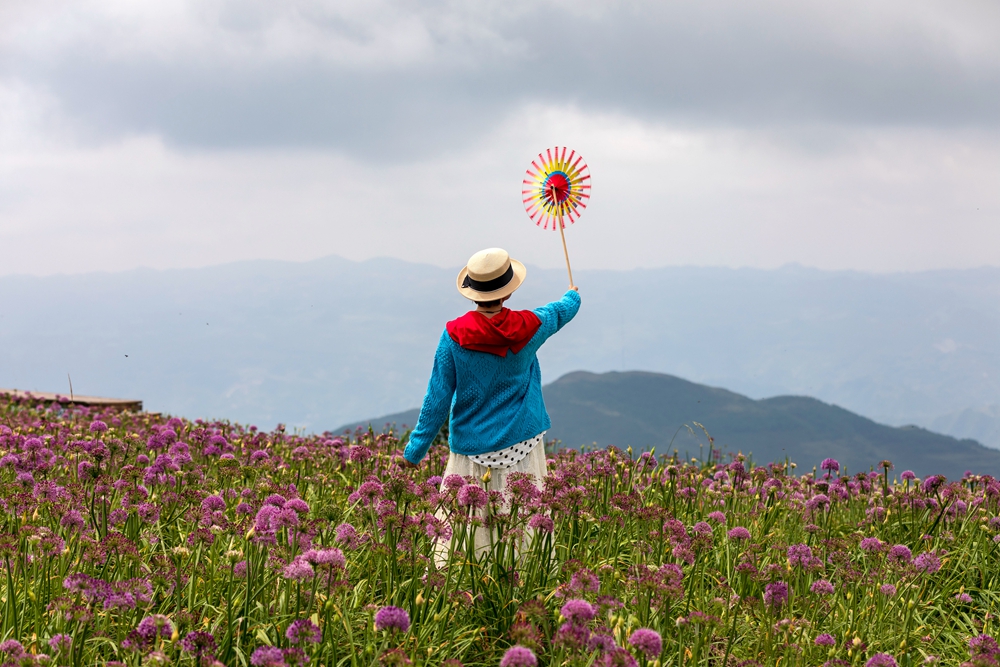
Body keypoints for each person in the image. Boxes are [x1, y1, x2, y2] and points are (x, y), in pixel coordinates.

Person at [402, 247, 580, 537]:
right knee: (525, 525)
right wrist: (572, 294)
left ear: (471, 292)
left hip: (471, 453)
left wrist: (413, 453)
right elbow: (561, 312)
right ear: (508, 292)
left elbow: (437, 401)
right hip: (524, 444)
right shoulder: (531, 327)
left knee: (466, 533)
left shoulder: (453, 338)